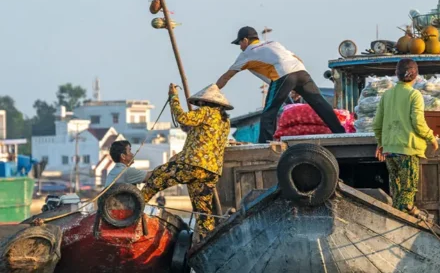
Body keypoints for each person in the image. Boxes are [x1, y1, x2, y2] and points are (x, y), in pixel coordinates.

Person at [216, 26, 345, 143]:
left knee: (269, 112)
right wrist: (296, 85)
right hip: (301, 70)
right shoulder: (273, 43)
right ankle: (340, 133)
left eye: (239, 43)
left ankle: (264, 145)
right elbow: (297, 58)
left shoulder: (246, 54)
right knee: (320, 103)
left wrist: (213, 91)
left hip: (283, 74)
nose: (240, 47)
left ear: (245, 40)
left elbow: (227, 76)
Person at [141, 83, 232, 238]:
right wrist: (180, 156)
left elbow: (182, 118)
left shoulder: (207, 112)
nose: (198, 107)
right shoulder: (224, 121)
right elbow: (202, 142)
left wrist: (173, 97)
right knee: (203, 212)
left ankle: (133, 207)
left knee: (157, 177)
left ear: (205, 103)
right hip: (211, 171)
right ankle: (205, 241)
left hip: (194, 165)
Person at [372, 59, 439, 215]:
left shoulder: (387, 95)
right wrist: (431, 138)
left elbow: (377, 124)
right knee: (407, 192)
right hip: (407, 152)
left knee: (397, 193)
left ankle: (397, 218)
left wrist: (382, 144)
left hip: (390, 153)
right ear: (416, 75)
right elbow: (418, 122)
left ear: (396, 74)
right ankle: (403, 220)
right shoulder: (414, 95)